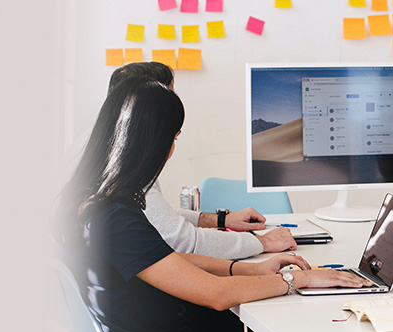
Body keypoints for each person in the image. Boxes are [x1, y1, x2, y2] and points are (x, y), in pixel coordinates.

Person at [60, 79, 371, 332]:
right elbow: (216, 296)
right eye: (173, 136)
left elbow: (166, 262)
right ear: (151, 140)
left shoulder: (93, 203)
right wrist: (296, 280)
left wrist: (247, 269)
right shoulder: (115, 215)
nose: (173, 148)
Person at [111, 62, 296, 259]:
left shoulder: (115, 150)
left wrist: (222, 220)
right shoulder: (123, 169)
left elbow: (158, 218)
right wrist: (264, 242)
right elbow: (186, 242)